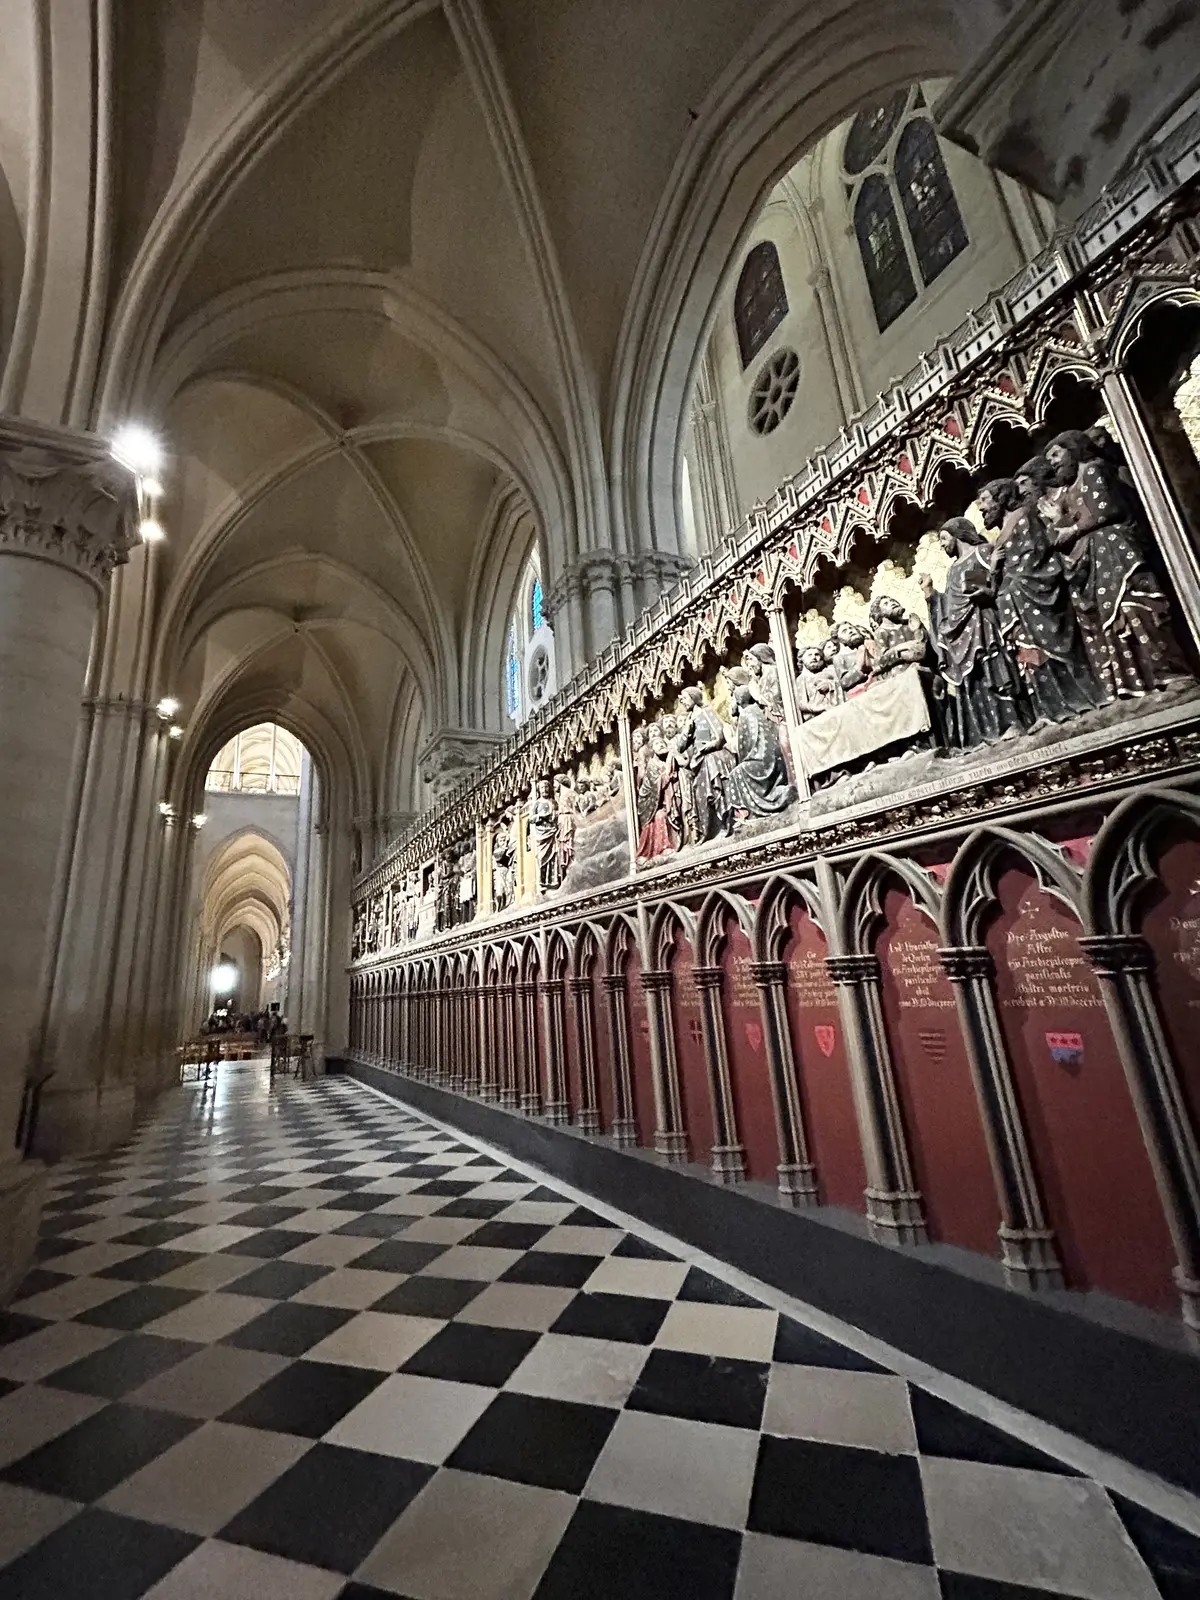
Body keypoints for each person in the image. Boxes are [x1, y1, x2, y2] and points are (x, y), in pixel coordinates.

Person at [1042, 431, 1188, 698]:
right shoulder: (1070, 489)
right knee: (1112, 622)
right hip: (1096, 559)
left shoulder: (1093, 470)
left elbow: (1107, 510)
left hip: (1117, 550)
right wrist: (1059, 520)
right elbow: (1060, 533)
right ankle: (1139, 684)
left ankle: (1173, 674)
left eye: (1056, 454)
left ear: (1074, 449)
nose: (1052, 462)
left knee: (1135, 608)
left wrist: (1071, 529)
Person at [979, 475, 1101, 726]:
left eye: (984, 500)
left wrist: (1013, 584)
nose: (981, 508)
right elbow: (998, 579)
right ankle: (1047, 710)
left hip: (1034, 598)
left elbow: (1039, 554)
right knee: (1028, 659)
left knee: (1047, 653)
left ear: (1002, 499)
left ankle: (1074, 705)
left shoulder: (1024, 516)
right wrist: (994, 570)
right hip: (1015, 605)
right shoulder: (1001, 535)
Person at [923, 518, 1031, 749]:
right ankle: (987, 732)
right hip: (961, 633)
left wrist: (992, 570)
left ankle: (1013, 722)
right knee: (974, 681)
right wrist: (931, 595)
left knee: (995, 668)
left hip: (983, 620)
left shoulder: (983, 552)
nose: (942, 545)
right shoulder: (953, 569)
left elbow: (1000, 585)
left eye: (944, 538)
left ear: (958, 535)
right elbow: (951, 605)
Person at [673, 687, 735, 843]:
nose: (682, 701)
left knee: (712, 772)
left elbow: (719, 735)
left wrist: (709, 746)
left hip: (711, 756)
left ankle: (725, 823)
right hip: (699, 762)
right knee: (701, 794)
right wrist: (687, 731)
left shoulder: (706, 712)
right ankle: (707, 831)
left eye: (685, 698)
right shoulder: (689, 719)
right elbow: (680, 747)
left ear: (694, 698)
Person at [725, 684, 796, 817]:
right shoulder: (756, 710)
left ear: (739, 700)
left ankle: (748, 813)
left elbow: (743, 748)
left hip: (762, 761)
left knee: (736, 773)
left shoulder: (745, 714)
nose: (731, 705)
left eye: (732, 700)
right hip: (773, 758)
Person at [795, 643, 843, 716]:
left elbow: (843, 686)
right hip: (818, 715)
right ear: (802, 659)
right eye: (809, 655)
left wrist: (830, 686)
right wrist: (820, 708)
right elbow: (802, 704)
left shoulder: (830, 673)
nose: (813, 657)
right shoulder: (801, 679)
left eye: (817, 655)